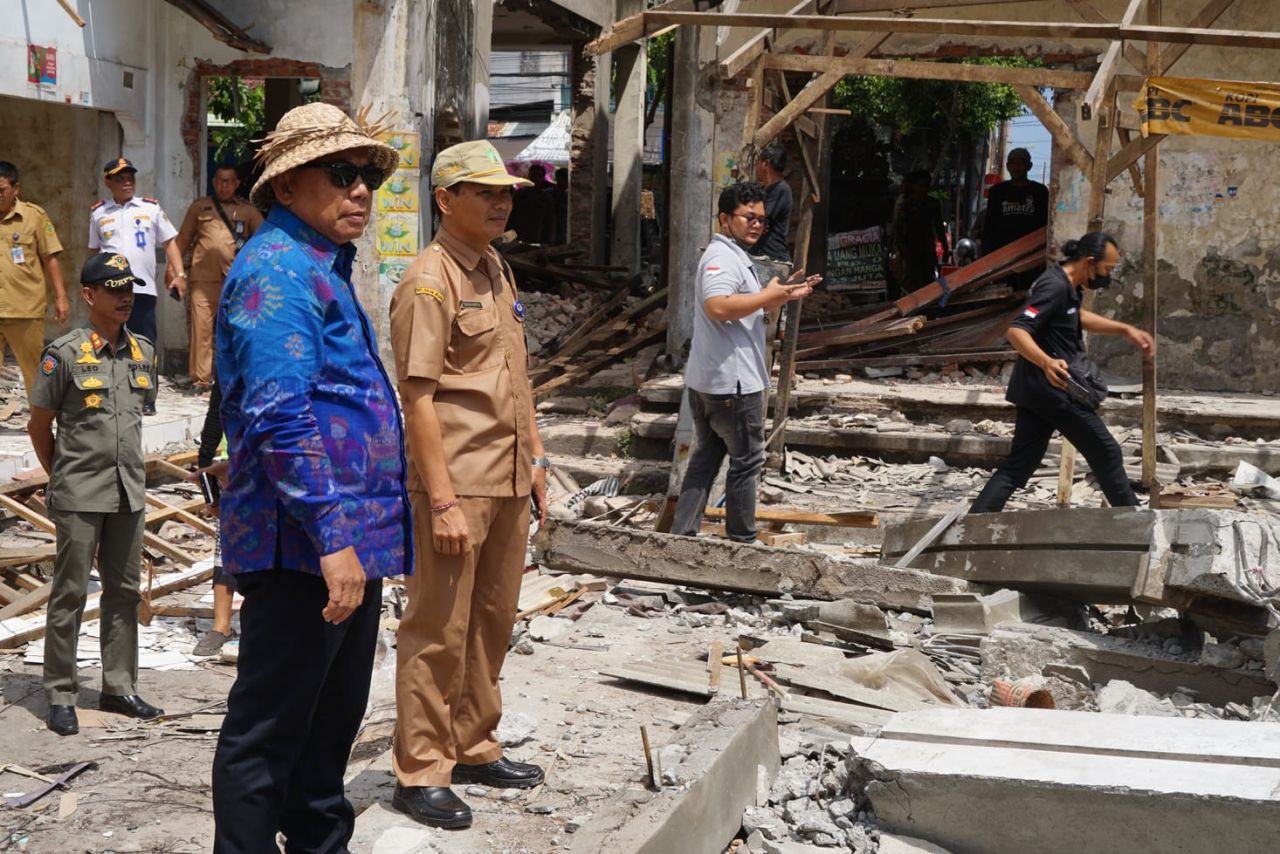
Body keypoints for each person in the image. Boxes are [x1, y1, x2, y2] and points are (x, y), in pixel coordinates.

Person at [209, 103, 412, 852]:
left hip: (342, 545)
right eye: (341, 174)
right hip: (301, 548)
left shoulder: (323, 264)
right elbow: (278, 416)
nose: (359, 191)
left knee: (326, 735)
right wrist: (333, 539)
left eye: (365, 177)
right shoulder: (277, 269)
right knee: (268, 736)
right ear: (288, 186)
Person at [388, 139, 549, 830]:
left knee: (491, 623)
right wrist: (444, 499)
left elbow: (515, 377)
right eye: (484, 191)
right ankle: (421, 768)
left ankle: (475, 744)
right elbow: (417, 398)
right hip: (457, 483)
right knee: (437, 628)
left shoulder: (494, 268)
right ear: (445, 199)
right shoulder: (431, 280)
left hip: (508, 479)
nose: (500, 201)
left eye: (505, 191)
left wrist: (537, 461)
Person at [27, 252, 162, 736]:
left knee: (124, 592)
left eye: (129, 287)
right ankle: (60, 691)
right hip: (80, 494)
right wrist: (61, 475)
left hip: (129, 491)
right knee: (70, 593)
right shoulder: (62, 354)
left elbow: (137, 416)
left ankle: (118, 685)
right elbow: (39, 426)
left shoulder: (144, 351)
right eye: (113, 288)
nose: (125, 296)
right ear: (89, 295)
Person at [669, 182, 818, 543]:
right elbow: (718, 306)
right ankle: (741, 542)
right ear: (725, 219)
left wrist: (779, 296)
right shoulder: (721, 258)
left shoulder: (735, 256)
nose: (756, 225)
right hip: (733, 384)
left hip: (712, 381)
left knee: (706, 459)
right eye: (748, 217)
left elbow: (745, 305)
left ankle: (681, 537)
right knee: (747, 463)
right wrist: (768, 295)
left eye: (761, 220)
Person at [970, 232, 1155, 513]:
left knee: (1020, 464)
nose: (1107, 276)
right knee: (1106, 452)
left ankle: (974, 524)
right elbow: (1017, 330)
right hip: (1057, 391)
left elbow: (1075, 316)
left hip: (1036, 392)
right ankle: (1137, 526)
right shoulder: (1054, 286)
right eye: (1107, 269)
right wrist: (1046, 362)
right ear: (1090, 262)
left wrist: (1124, 329)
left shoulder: (1070, 286)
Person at [89, 158, 186, 414]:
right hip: (108, 289)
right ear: (108, 182)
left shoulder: (150, 209)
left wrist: (180, 274)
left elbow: (170, 242)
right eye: (120, 178)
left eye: (130, 177)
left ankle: (146, 397)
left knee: (143, 344)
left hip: (141, 290)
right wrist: (89, 285)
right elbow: (93, 253)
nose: (127, 182)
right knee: (108, 343)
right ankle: (109, 394)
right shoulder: (99, 213)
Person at [176, 164, 263, 390]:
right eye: (220, 181)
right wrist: (175, 272)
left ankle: (236, 377)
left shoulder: (248, 211)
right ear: (214, 182)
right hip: (202, 279)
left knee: (238, 328)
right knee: (201, 328)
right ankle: (201, 379)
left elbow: (263, 242)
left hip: (236, 279)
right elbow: (182, 239)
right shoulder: (200, 207)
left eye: (228, 181)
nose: (224, 186)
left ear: (236, 184)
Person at [0, 161, 71, 398]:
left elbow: (50, 258)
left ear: (15, 189)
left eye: (1, 190)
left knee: (33, 371)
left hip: (25, 308)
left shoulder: (35, 216)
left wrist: (61, 298)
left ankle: (39, 421)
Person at [189, 379, 234, 657]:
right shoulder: (229, 374)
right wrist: (209, 492)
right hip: (233, 473)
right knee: (225, 551)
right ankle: (221, 625)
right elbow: (212, 426)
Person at [982, 148, 1050, 256]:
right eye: (1013, 163)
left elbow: (1044, 225)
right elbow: (989, 226)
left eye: (1021, 162)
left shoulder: (1040, 192)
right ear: (1008, 166)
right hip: (1002, 253)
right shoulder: (997, 192)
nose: (1017, 167)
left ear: (1029, 166)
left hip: (1030, 254)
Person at [890, 170, 948, 296]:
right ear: (914, 186)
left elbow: (939, 227)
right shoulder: (906, 205)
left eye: (926, 186)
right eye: (921, 186)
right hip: (911, 251)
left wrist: (945, 247)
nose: (923, 189)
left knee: (929, 283)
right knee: (911, 284)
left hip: (928, 250)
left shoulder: (933, 204)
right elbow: (898, 230)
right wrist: (902, 250)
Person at [754, 144, 793, 264]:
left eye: (758, 163)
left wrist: (759, 221)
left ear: (766, 163)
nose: (756, 168)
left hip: (774, 258)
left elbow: (762, 220)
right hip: (763, 257)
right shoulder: (766, 189)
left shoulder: (780, 189)